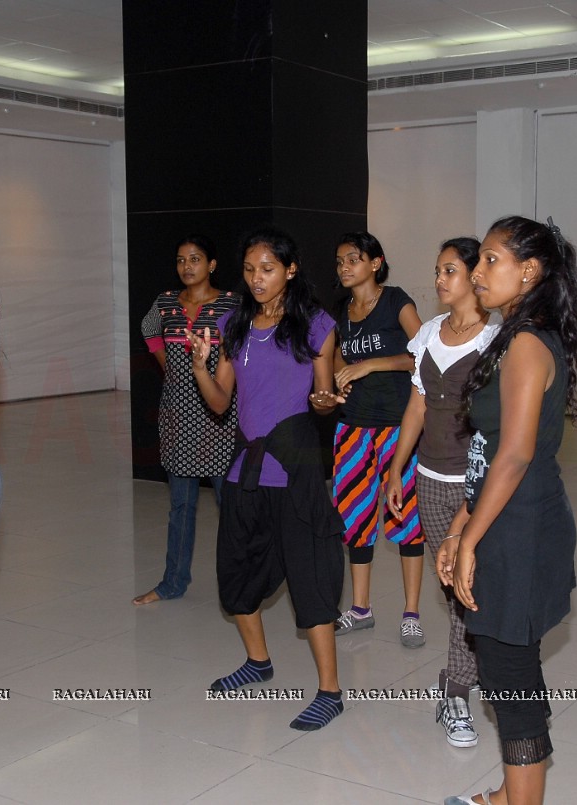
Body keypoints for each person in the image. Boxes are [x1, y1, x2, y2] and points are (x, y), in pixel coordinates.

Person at [440, 216, 577, 805]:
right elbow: (485, 455)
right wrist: (460, 527)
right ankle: (511, 793)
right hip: (505, 520)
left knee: (509, 677)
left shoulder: (528, 343)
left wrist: (471, 540)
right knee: (512, 669)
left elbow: (514, 455)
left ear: (529, 271)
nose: (478, 272)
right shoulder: (513, 333)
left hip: (520, 530)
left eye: (491, 261)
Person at [186, 226, 347, 731]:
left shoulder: (316, 324)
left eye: (268, 269)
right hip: (244, 472)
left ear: (291, 269)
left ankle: (330, 691)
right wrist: (199, 366)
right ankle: (258, 663)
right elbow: (219, 403)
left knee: (310, 576)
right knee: (236, 571)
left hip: (294, 470)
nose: (257, 279)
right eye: (250, 270)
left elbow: (323, 396)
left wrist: (324, 402)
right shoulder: (236, 324)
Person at [386, 236, 497, 747]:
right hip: (430, 483)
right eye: (436, 270)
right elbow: (416, 409)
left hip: (480, 487)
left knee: (477, 590)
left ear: (474, 276)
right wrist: (395, 469)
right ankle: (457, 690)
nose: (438, 280)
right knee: (455, 589)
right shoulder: (428, 333)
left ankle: (464, 684)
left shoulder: (497, 339)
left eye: (448, 270)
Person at [329, 231, 425, 647]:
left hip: (396, 427)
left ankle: (411, 613)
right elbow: (336, 355)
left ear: (375, 262)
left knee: (405, 518)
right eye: (339, 261)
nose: (345, 267)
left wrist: (372, 365)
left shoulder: (396, 300)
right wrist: (339, 377)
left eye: (353, 259)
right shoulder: (343, 311)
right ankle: (361, 608)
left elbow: (424, 352)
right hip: (352, 428)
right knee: (355, 519)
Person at [133, 235, 238, 605]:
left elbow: (245, 351)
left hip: (220, 418)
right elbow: (148, 330)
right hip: (178, 416)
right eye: (181, 260)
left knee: (231, 506)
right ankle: (172, 582)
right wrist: (170, 367)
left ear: (212, 264)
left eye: (195, 259)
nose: (187, 266)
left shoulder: (231, 305)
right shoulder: (164, 303)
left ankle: (239, 582)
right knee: (180, 506)